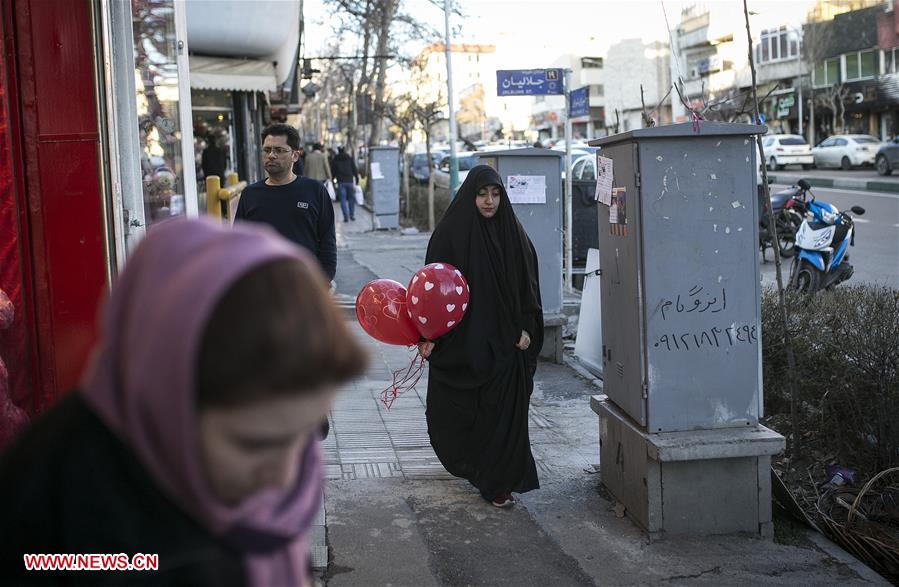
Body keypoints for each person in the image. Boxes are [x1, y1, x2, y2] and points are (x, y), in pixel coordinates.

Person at [0, 217, 368, 585]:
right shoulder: (57, 519)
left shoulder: (216, 485)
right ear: (166, 396)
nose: (286, 474)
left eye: (304, 435)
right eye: (253, 443)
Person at [417, 165, 544, 508]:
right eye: (482, 194)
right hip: (465, 347)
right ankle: (477, 468)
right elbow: (432, 292)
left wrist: (528, 329)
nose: (489, 202)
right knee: (465, 417)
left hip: (506, 345)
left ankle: (497, 483)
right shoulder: (449, 236)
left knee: (503, 418)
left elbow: (529, 288)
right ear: (470, 196)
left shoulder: (514, 237)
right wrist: (427, 337)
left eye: (496, 194)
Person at [235, 125, 336, 281]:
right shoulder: (250, 194)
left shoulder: (315, 191)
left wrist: (323, 281)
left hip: (306, 286)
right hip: (261, 288)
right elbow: (240, 245)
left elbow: (327, 242)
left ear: (295, 155)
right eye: (267, 150)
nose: (271, 155)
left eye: (279, 150)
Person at [331, 146, 359, 223]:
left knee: (343, 199)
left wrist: (332, 180)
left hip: (341, 182)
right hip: (349, 181)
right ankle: (352, 215)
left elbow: (333, 171)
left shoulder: (335, 159)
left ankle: (345, 216)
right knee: (351, 199)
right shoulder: (349, 158)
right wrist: (357, 179)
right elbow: (354, 169)